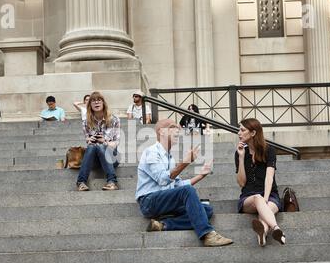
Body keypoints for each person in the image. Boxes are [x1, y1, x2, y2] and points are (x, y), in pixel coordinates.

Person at [135, 119, 234, 247]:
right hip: (149, 201)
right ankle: (207, 234)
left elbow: (177, 185)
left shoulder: (169, 157)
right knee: (188, 192)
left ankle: (164, 225)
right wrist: (185, 163)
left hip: (165, 200)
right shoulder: (152, 152)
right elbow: (162, 179)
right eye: (172, 127)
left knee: (207, 210)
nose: (177, 130)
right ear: (161, 132)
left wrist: (201, 175)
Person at [235, 118, 286, 247]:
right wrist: (241, 158)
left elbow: (269, 177)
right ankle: (276, 228)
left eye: (242, 130)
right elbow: (241, 183)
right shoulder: (240, 152)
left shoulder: (269, 150)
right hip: (248, 198)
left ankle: (262, 235)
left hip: (270, 195)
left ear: (253, 133)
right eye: (239, 130)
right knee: (258, 199)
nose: (239, 133)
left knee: (265, 209)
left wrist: (266, 199)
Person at [77, 91, 120, 192]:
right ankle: (81, 183)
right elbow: (88, 140)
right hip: (94, 159)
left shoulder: (114, 120)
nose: (96, 103)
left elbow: (115, 144)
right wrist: (90, 140)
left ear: (103, 103)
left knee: (101, 146)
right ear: (89, 105)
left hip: (112, 157)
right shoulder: (86, 122)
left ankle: (112, 181)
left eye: (99, 100)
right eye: (93, 101)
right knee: (92, 147)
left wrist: (104, 141)